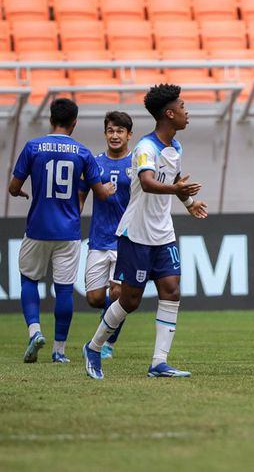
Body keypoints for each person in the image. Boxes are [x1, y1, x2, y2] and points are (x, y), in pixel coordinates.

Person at [82, 84, 209, 380]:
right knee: (130, 300)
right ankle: (94, 346)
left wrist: (188, 202)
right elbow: (149, 181)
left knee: (172, 290)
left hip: (163, 232)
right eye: (182, 107)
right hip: (136, 233)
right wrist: (177, 189)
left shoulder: (175, 147)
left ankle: (159, 362)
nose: (186, 112)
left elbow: (173, 178)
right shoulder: (144, 148)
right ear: (169, 113)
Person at [9, 98, 113, 364]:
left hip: (37, 229)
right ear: (74, 122)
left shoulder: (33, 147)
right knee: (64, 290)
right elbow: (101, 193)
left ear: (50, 118)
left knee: (29, 280)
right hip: (68, 232)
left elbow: (12, 186)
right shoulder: (82, 152)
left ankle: (34, 331)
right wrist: (110, 188)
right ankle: (59, 350)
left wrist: (20, 192)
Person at [78, 112, 134, 360]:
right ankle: (109, 322)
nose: (115, 135)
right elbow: (81, 194)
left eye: (120, 131)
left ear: (128, 135)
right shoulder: (94, 163)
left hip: (126, 239)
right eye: (111, 130)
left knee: (118, 294)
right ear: (105, 133)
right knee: (94, 298)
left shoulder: (137, 163)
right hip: (99, 239)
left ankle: (107, 342)